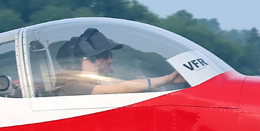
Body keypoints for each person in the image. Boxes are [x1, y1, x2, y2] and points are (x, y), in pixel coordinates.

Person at [54, 28, 182, 95]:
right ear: (75, 64)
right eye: (101, 56)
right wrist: (168, 79)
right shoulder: (73, 87)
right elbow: (123, 87)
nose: (109, 60)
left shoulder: (85, 85)